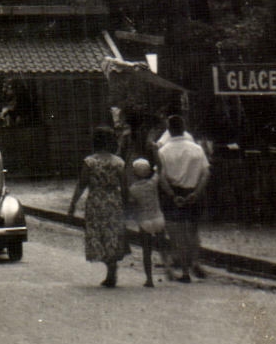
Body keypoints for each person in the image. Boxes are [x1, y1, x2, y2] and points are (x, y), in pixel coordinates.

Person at [69, 125, 130, 287]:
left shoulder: (90, 162)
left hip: (96, 201)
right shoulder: (119, 162)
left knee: (98, 234)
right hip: (114, 201)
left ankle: (109, 267)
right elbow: (124, 186)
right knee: (112, 233)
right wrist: (126, 205)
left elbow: (81, 184)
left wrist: (73, 204)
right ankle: (112, 266)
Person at [156, 114, 210, 281]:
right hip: (194, 190)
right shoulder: (197, 149)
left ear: (169, 130)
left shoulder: (163, 151)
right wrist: (196, 192)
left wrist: (172, 195)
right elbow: (206, 173)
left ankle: (185, 271)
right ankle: (195, 261)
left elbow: (161, 177)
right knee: (192, 229)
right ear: (184, 128)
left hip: (174, 192)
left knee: (177, 232)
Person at [127, 158, 167, 287]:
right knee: (162, 246)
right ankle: (169, 270)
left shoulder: (133, 189)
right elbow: (160, 168)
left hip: (144, 220)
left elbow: (132, 204)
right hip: (158, 217)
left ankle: (149, 279)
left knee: (146, 251)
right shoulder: (153, 183)